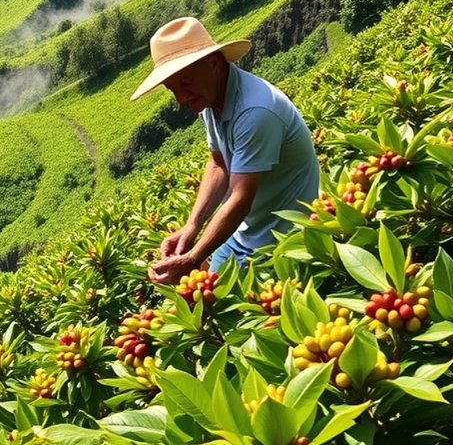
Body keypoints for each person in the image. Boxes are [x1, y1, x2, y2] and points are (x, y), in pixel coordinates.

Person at [130, 17, 319, 284]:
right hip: (247, 231)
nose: (182, 98)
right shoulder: (211, 98)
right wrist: (192, 225)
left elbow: (241, 197)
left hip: (283, 239)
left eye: (186, 83)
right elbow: (218, 163)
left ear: (214, 63)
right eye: (172, 90)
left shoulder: (255, 111)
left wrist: (193, 258)